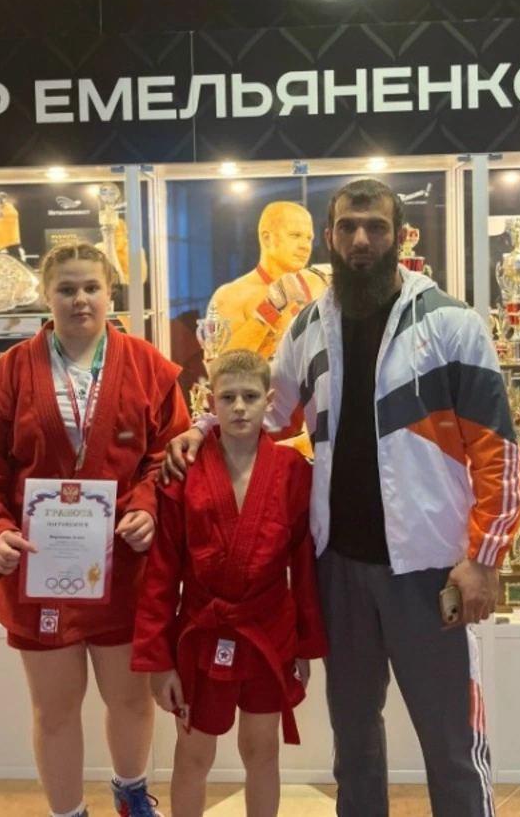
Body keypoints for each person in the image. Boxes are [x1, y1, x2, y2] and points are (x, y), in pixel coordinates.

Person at [166, 178, 520, 817]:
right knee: (353, 741)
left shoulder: (450, 322)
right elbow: (267, 409)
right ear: (330, 237)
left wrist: (485, 558)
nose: (361, 240)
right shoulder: (309, 326)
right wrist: (202, 428)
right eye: (349, 227)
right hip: (339, 570)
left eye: (376, 227)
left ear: (400, 237)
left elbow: (497, 447)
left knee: (450, 739)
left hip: (430, 570)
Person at [0, 242, 189, 817]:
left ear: (110, 293)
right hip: (38, 568)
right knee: (54, 711)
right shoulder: (9, 375)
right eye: (67, 289)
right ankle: (68, 813)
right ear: (46, 295)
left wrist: (149, 507)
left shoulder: (149, 368)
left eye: (91, 288)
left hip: (121, 565)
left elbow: (169, 457)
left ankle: (132, 798)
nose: (80, 299)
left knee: (131, 701)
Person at [132, 349, 327, 817]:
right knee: (193, 753)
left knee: (262, 749)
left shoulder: (294, 472)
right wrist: (159, 662)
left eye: (250, 397)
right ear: (210, 402)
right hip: (202, 630)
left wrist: (304, 645)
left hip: (268, 631)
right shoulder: (183, 471)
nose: (239, 407)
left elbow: (303, 568)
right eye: (228, 397)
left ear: (270, 401)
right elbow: (161, 573)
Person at [209, 201, 327, 360]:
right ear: (267, 239)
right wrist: (268, 311)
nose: (305, 246)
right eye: (295, 235)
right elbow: (223, 366)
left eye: (309, 238)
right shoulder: (231, 295)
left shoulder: (320, 282)